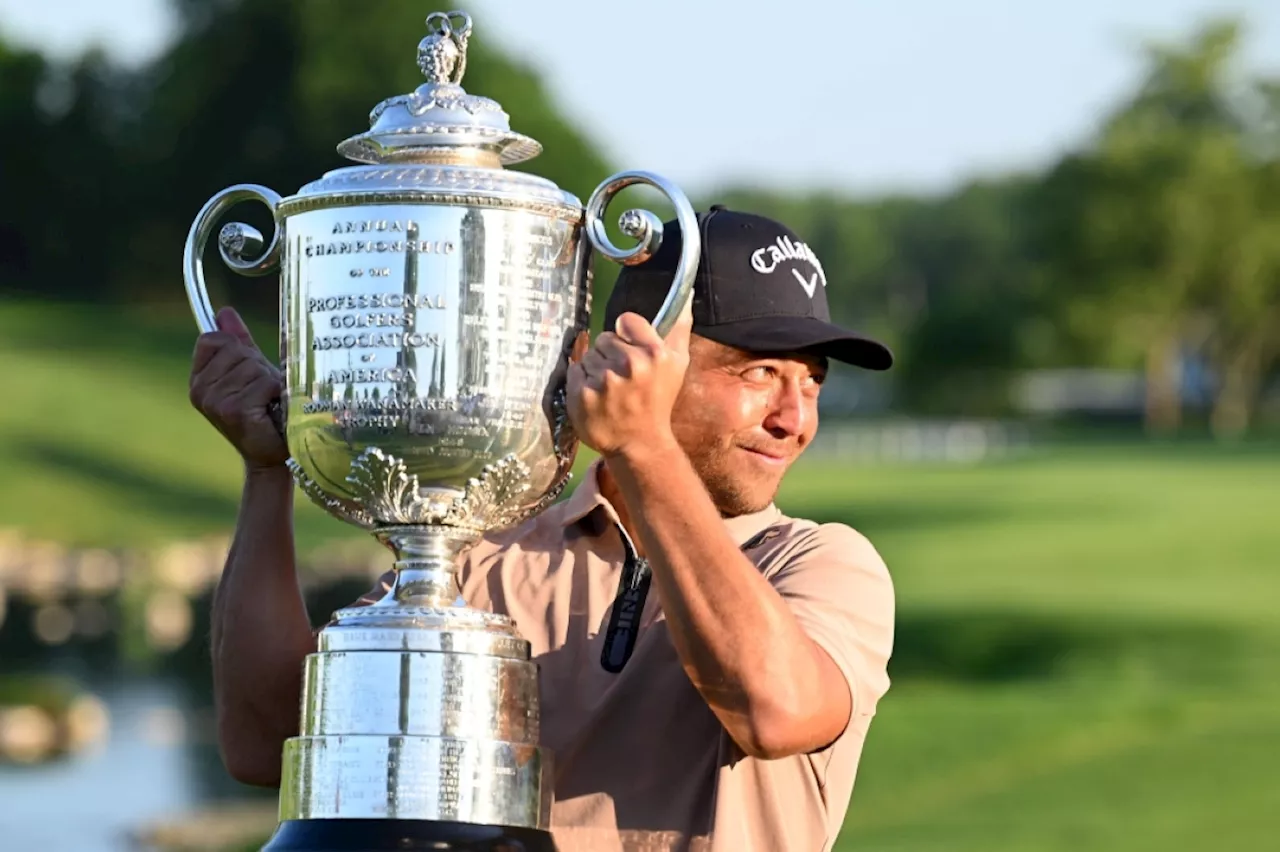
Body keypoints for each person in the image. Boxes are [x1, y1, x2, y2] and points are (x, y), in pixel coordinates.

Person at [190, 205, 896, 852]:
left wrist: (642, 446)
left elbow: (774, 710)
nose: (793, 419)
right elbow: (265, 743)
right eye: (759, 372)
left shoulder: (822, 563)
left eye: (811, 383)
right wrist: (266, 472)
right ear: (615, 359)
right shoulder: (485, 559)